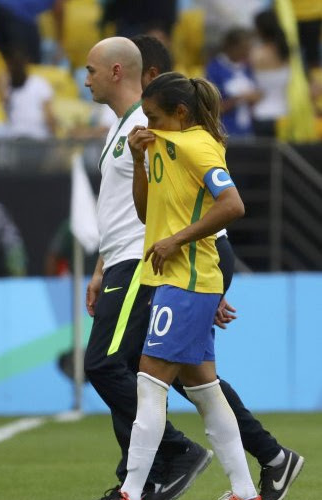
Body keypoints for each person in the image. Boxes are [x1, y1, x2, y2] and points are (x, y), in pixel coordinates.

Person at [83, 36, 304, 500]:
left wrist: (205, 276)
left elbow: (225, 205)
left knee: (126, 371)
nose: (85, 79)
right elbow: (143, 210)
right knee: (191, 381)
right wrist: (104, 259)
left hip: (169, 265)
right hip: (164, 266)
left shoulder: (181, 139)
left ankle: (144, 479)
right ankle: (259, 470)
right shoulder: (142, 136)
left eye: (91, 70)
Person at [121, 71, 258, 500]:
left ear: (180, 112)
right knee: (204, 390)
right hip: (178, 281)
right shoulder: (165, 146)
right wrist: (138, 160)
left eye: (154, 116)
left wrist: (178, 240)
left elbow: (233, 204)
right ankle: (244, 491)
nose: (147, 125)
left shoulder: (197, 146)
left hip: (187, 278)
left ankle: (130, 491)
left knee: (149, 382)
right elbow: (147, 215)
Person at [205, 28, 261, 138]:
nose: (247, 52)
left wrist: (254, 97)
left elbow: (257, 93)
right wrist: (239, 99)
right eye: (243, 48)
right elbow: (210, 108)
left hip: (247, 130)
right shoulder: (214, 69)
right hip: (225, 131)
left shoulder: (247, 68)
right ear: (232, 47)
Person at [250, 9, 290, 138]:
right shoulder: (288, 53)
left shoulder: (257, 54)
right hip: (285, 114)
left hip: (263, 115)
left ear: (260, 29)